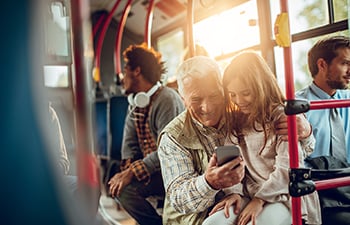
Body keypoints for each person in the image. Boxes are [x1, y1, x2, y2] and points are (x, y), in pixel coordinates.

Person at [157, 56, 315, 225]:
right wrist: (216, 185)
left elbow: (292, 161)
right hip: (201, 215)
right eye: (196, 100)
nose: (207, 107)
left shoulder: (242, 114)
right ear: (183, 99)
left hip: (278, 195)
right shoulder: (173, 137)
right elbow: (179, 199)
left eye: (214, 95)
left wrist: (306, 133)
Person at [202, 51, 321, 225]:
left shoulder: (282, 117)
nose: (239, 100)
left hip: (285, 194)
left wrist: (260, 199)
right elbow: (231, 163)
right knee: (212, 223)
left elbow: (286, 170)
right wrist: (234, 192)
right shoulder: (235, 120)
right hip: (250, 194)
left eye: (246, 93)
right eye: (233, 95)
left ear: (261, 86)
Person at [107, 43, 185, 225]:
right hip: (156, 170)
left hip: (175, 170)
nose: (122, 77)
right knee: (122, 188)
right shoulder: (135, 103)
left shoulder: (167, 99)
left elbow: (169, 150)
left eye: (125, 70)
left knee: (127, 184)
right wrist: (125, 173)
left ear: (136, 71)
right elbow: (129, 145)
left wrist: (132, 173)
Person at [295, 35, 350, 225]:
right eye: (344, 63)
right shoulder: (299, 107)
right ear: (322, 65)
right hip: (320, 191)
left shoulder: (347, 99)